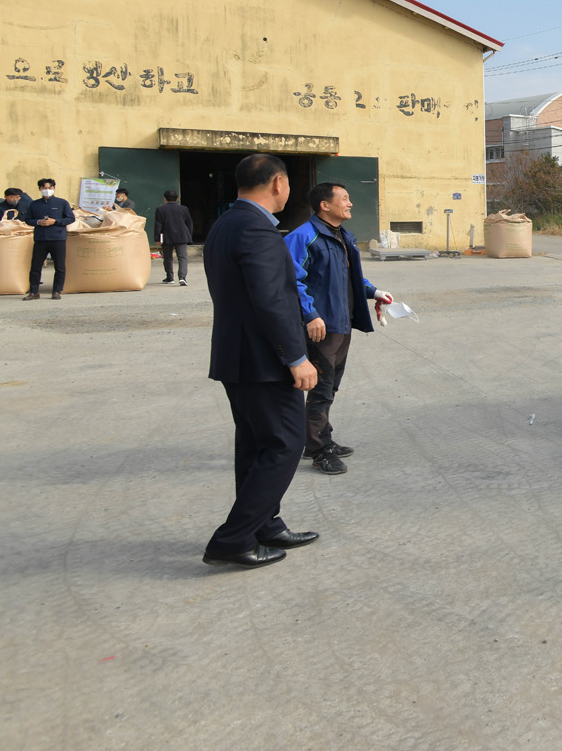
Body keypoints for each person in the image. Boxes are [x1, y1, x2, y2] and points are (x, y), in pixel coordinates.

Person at [201, 153, 321, 569]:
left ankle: (265, 524)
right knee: (286, 444)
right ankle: (233, 539)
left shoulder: (226, 224)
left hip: (237, 356)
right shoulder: (256, 229)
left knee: (255, 446)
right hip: (263, 361)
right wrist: (296, 357)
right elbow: (271, 301)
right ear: (277, 184)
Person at [284, 182, 391, 475]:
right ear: (325, 205)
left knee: (329, 386)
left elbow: (349, 277)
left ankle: (317, 439)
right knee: (320, 388)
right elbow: (290, 280)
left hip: (342, 324)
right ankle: (320, 450)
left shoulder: (343, 236)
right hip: (321, 327)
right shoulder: (303, 237)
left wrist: (374, 292)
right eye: (344, 198)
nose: (350, 203)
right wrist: (310, 314)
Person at [21, 178, 73, 301]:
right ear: (39, 189)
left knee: (59, 266)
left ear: (54, 188)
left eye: (50, 187)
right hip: (40, 239)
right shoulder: (34, 204)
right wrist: (38, 222)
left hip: (58, 238)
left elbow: (70, 218)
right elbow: (28, 220)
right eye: (44, 187)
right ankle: (34, 292)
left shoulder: (62, 203)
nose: (47, 190)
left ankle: (56, 291)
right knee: (35, 266)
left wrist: (55, 221)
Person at [154, 190, 194, 286]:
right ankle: (182, 277)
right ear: (177, 199)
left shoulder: (160, 209)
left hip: (167, 237)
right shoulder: (184, 209)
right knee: (182, 257)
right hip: (182, 236)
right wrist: (189, 236)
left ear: (165, 199)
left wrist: (157, 238)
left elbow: (158, 225)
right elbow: (189, 223)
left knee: (167, 257)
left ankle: (169, 277)